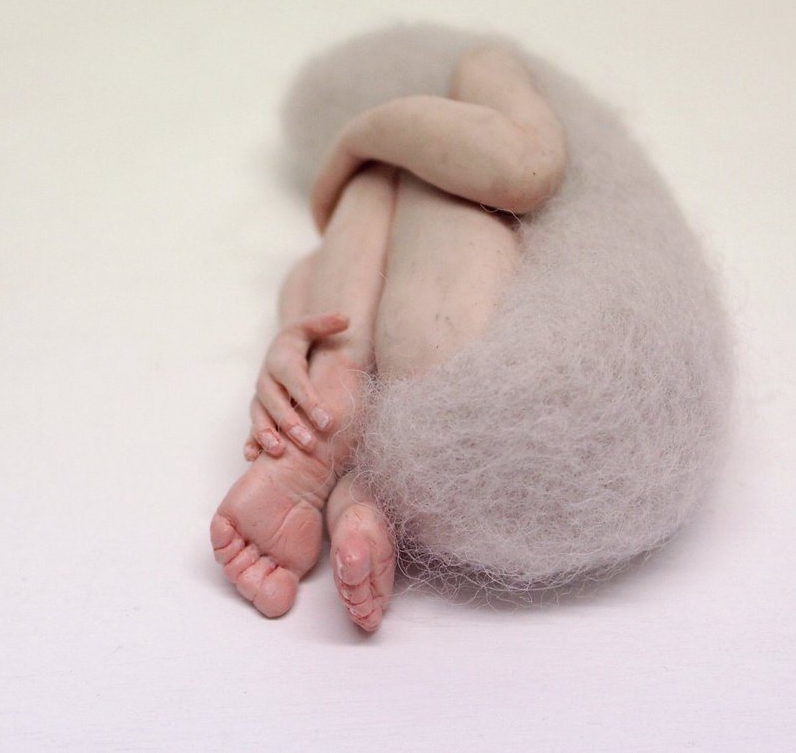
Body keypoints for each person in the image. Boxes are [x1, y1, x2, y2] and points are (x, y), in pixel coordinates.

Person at [211, 45, 567, 632]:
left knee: (379, 189)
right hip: (474, 434)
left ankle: (333, 398)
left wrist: (359, 141)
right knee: (341, 271)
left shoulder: (478, 69)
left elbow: (524, 166)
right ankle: (365, 489)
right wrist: (287, 352)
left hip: (500, 390)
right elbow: (310, 275)